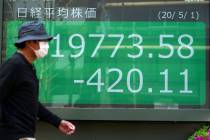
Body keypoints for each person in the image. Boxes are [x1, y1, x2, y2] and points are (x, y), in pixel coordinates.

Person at [0, 21, 75, 140]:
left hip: (25, 135)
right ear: (29, 42)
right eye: (43, 41)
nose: (46, 45)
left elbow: (31, 102)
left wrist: (57, 122)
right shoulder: (14, 65)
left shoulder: (28, 67)